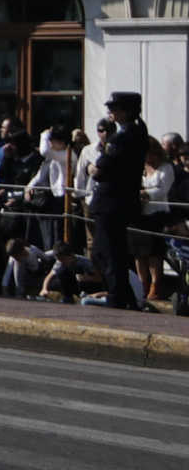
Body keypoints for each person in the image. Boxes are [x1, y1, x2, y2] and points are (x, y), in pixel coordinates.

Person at [84, 91, 152, 309]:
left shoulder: (123, 137)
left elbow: (100, 170)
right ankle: (125, 296)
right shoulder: (139, 131)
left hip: (111, 202)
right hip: (121, 201)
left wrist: (89, 167)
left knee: (106, 252)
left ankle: (116, 297)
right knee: (116, 252)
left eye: (115, 108)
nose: (110, 112)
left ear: (126, 111)